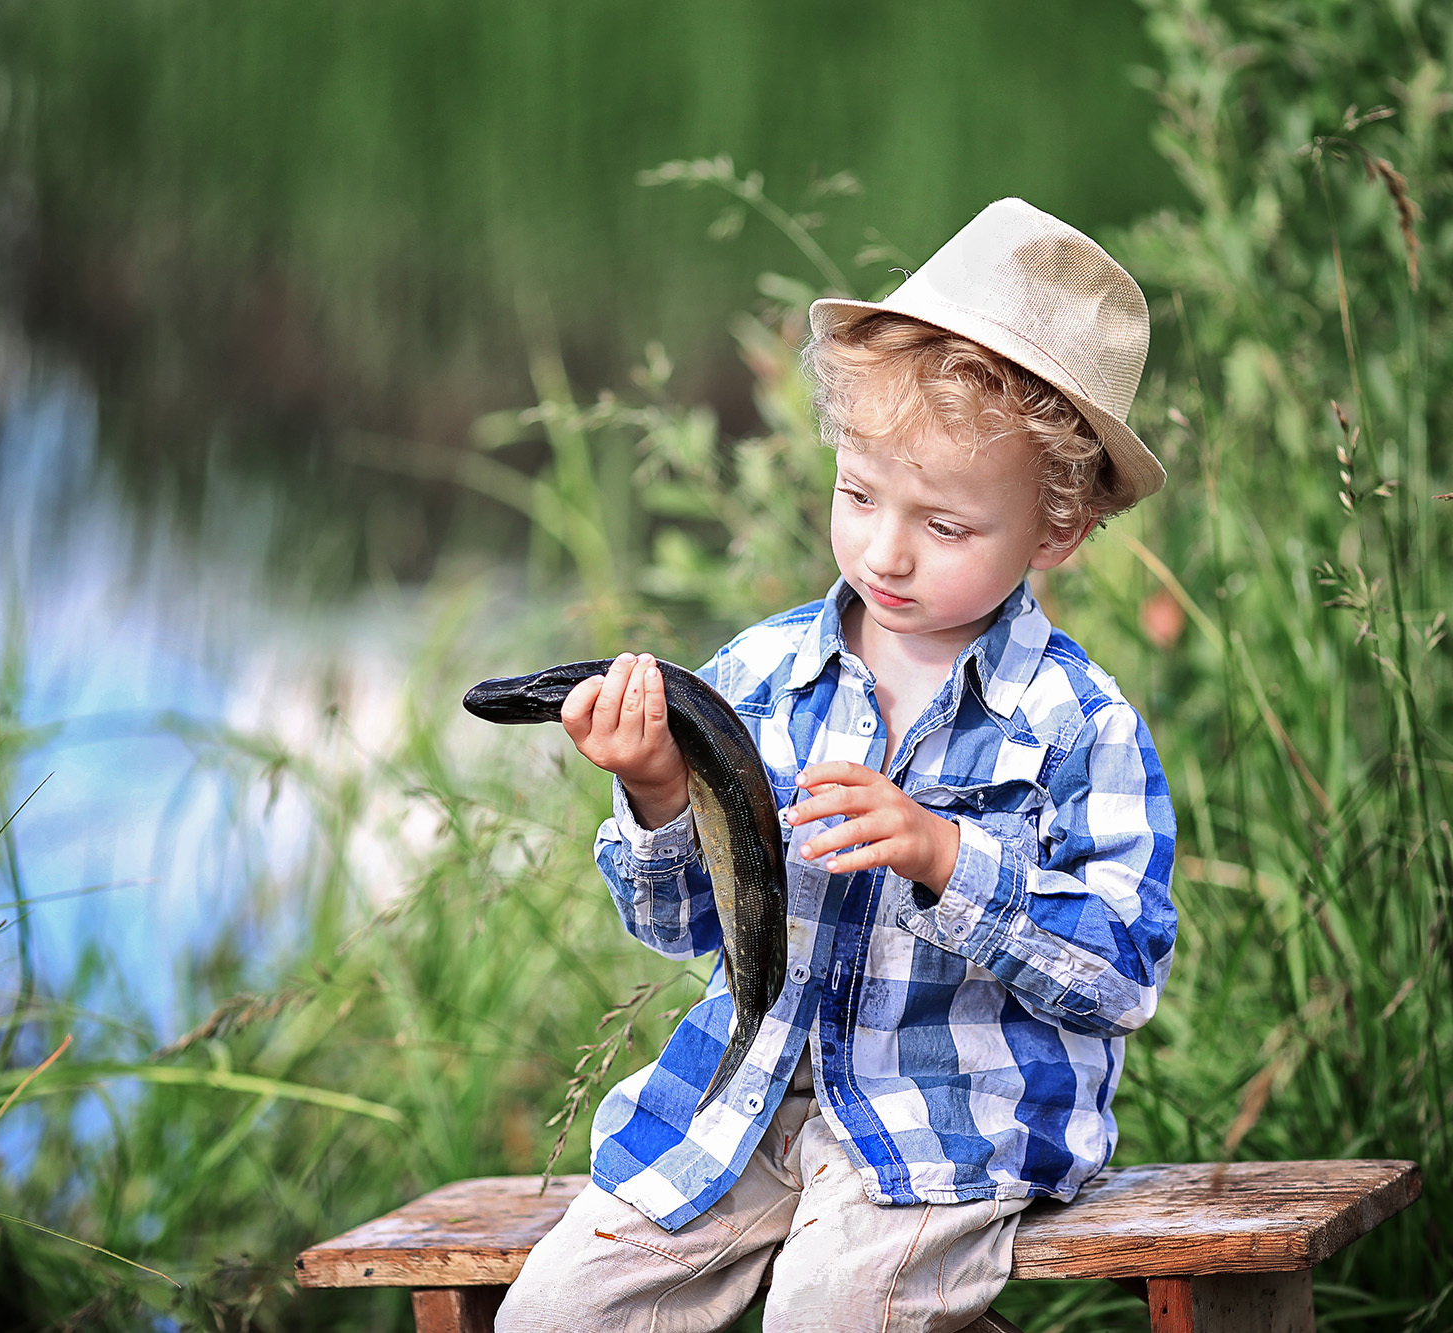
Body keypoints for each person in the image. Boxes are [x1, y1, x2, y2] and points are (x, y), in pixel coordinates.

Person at [496, 198, 1178, 1333]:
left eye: (945, 526)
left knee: (830, 1310)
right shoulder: (760, 677)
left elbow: (1121, 972)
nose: (883, 549)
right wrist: (658, 791)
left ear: (1053, 530)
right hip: (744, 1099)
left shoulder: (1075, 722)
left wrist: (943, 853)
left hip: (947, 1121)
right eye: (858, 495)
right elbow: (683, 930)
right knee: (555, 1314)